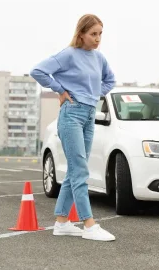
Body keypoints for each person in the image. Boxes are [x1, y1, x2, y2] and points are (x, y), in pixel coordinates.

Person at [30, 14, 117, 241]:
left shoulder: (99, 59)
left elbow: (110, 80)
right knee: (80, 170)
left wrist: (95, 93)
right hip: (71, 115)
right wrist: (60, 89)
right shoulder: (68, 55)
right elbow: (38, 71)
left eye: (100, 34)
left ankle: (61, 222)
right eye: (93, 34)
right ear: (81, 34)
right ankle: (89, 224)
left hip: (90, 115)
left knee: (75, 170)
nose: (98, 39)